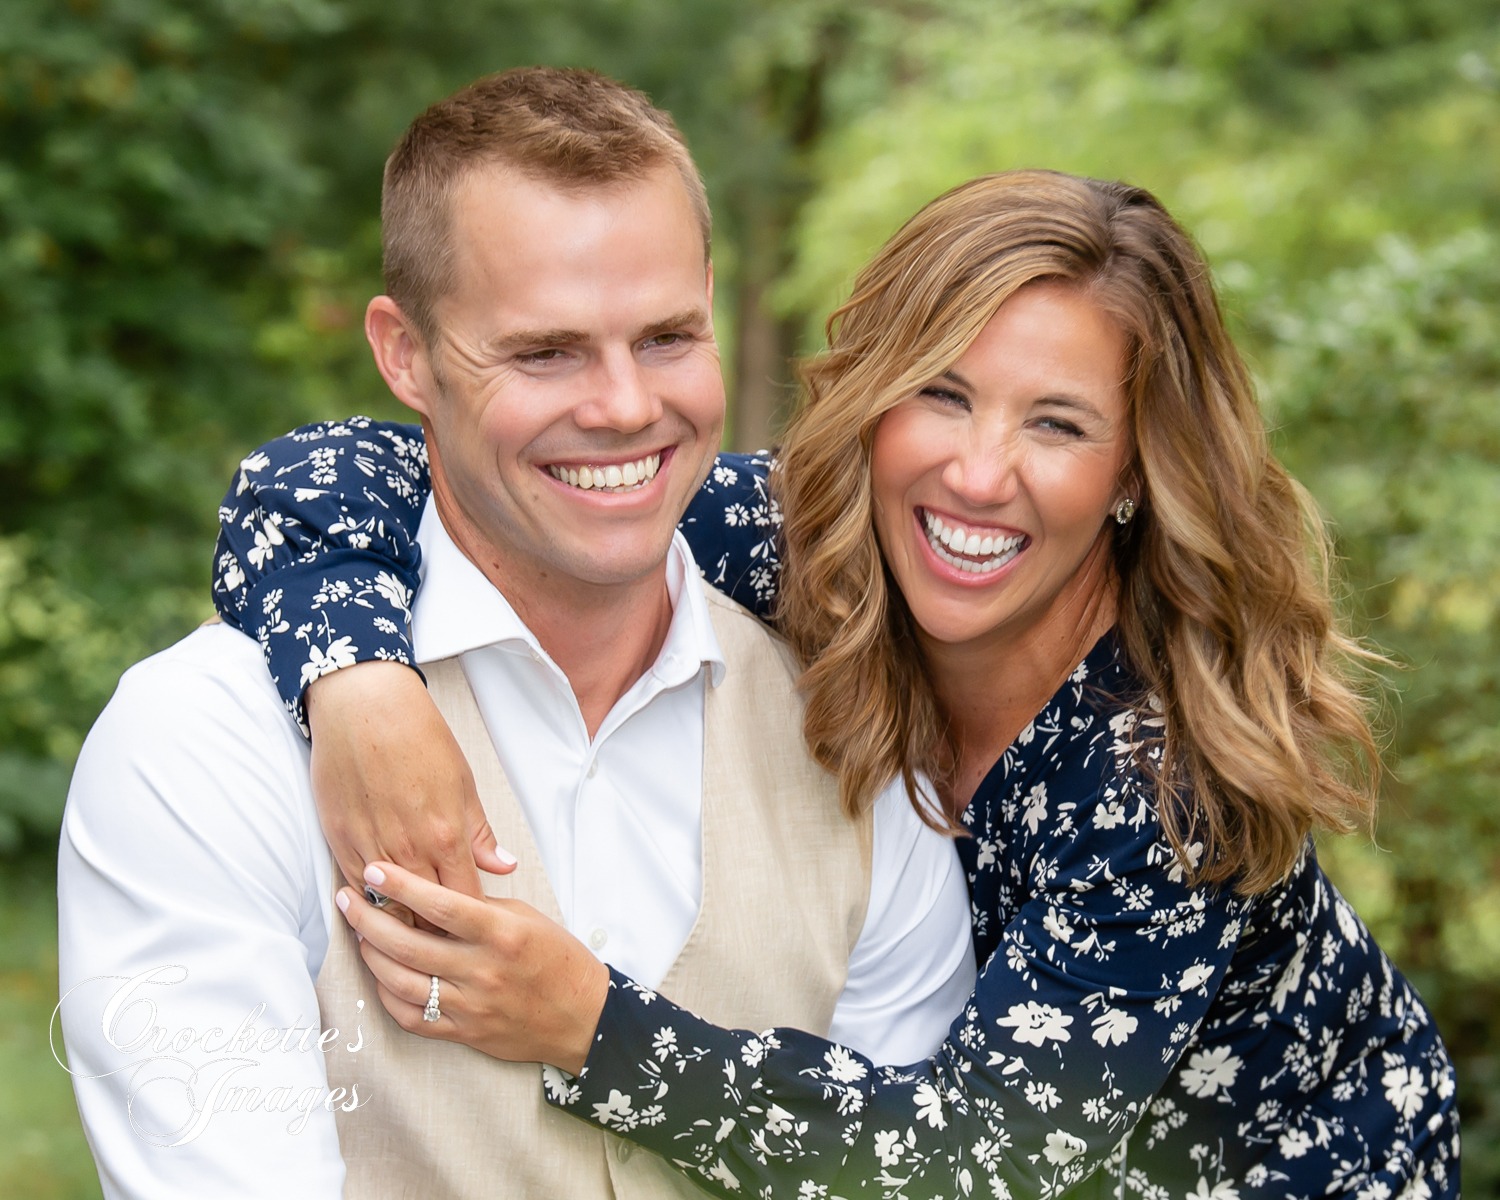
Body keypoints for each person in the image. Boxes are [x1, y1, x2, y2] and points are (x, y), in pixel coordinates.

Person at [212, 169, 1461, 1197]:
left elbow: (975, 1160)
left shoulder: (1165, 778)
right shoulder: (806, 539)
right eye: (943, 393)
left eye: (1058, 425)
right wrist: (359, 682)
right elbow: (338, 475)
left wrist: (590, 1027)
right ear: (873, 401)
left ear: (1137, 471)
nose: (978, 475)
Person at [56, 67, 975, 1200]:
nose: (627, 406)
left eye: (669, 337)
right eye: (545, 352)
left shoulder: (856, 718)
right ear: (405, 356)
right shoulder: (208, 746)